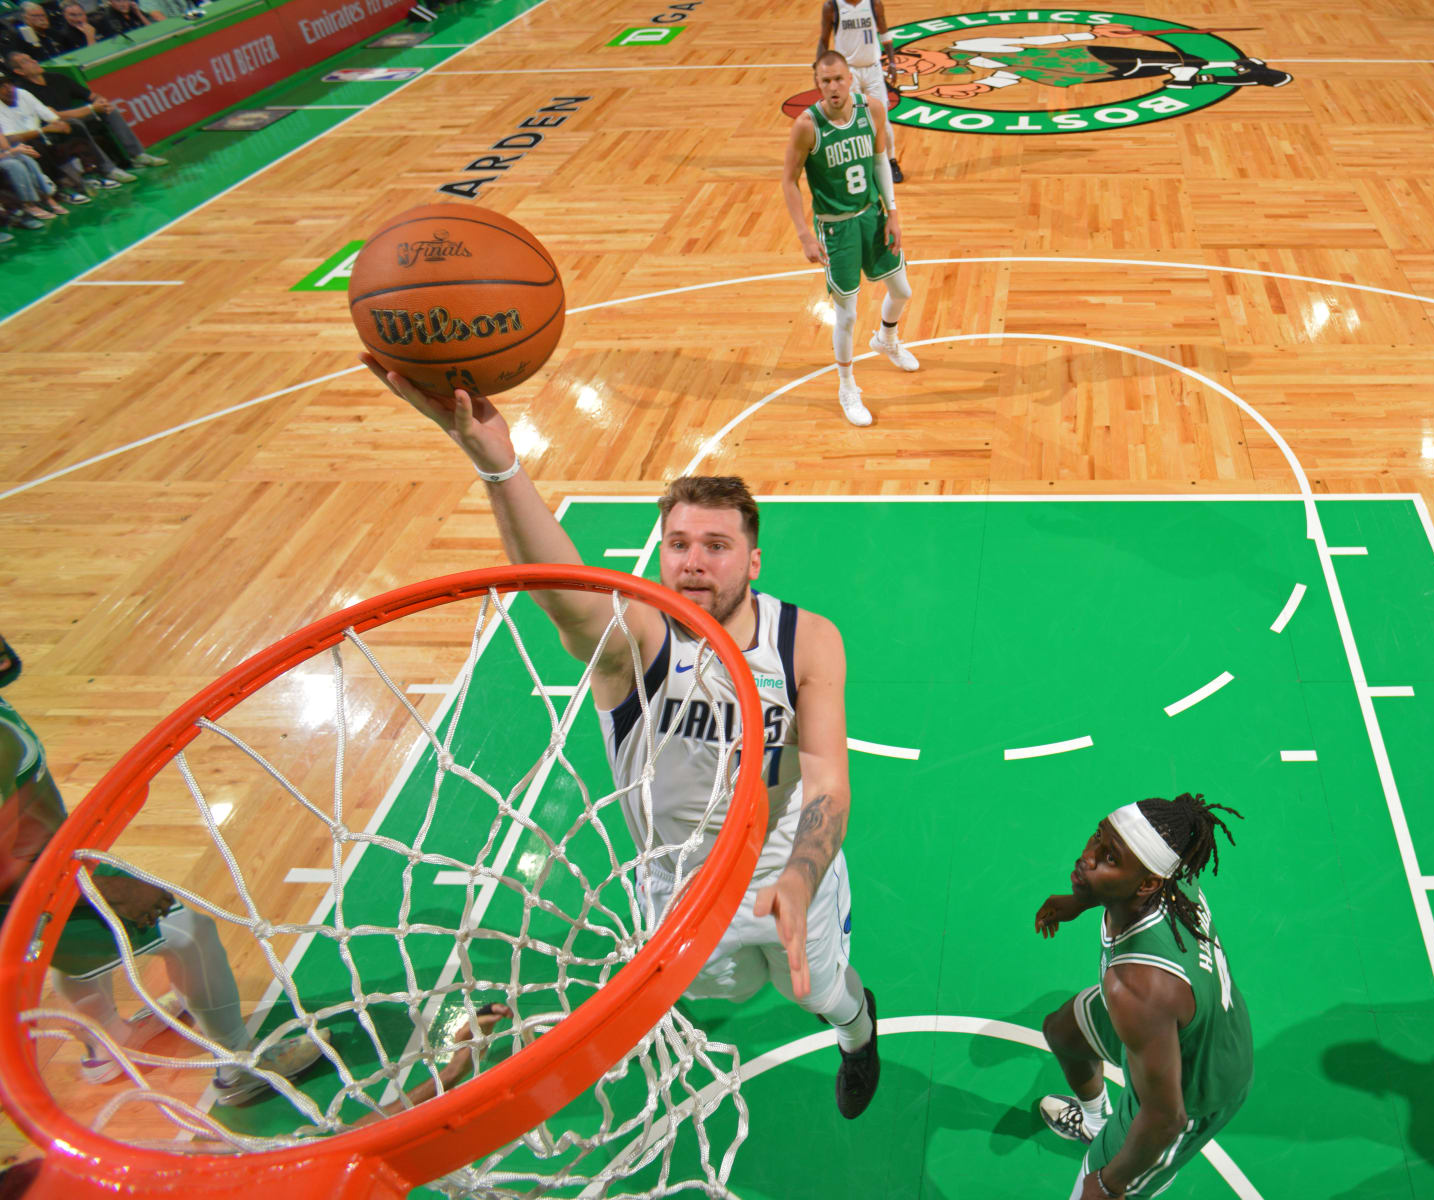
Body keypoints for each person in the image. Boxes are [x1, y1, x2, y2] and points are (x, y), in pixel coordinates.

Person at [363, 363, 884, 1120]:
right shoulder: (638, 642)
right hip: (680, 887)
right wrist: (498, 464)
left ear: (753, 560)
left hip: (787, 872)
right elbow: (564, 593)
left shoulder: (805, 640)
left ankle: (859, 1032)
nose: (694, 561)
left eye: (716, 545)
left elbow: (828, 779)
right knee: (713, 993)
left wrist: (803, 875)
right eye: (677, 544)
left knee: (820, 991)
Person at [0, 634, 327, 1104]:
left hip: (47, 874)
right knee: (189, 934)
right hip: (27, 895)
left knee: (79, 951)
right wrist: (105, 889)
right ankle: (238, 1068)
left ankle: (106, 1045)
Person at [1034, 794, 1253, 1200]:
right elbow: (1117, 876)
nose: (1088, 857)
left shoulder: (1135, 986)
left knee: (1089, 1190)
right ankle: (1097, 1123)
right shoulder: (1170, 871)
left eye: (1109, 858)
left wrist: (1108, 1183)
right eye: (1097, 836)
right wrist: (1081, 899)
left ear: (1148, 883)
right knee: (1063, 1032)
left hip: (1194, 1089)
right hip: (1192, 1025)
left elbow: (1165, 1118)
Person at [782, 49, 919, 428]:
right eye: (825, 81)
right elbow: (788, 181)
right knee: (847, 313)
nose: (833, 87)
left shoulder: (871, 109)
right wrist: (805, 235)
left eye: (839, 78)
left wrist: (893, 212)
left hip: (871, 216)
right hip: (835, 226)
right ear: (817, 85)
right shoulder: (807, 126)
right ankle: (846, 386)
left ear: (850, 78)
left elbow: (880, 163)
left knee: (903, 290)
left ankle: (886, 340)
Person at [894, 25, 1291, 100]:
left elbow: (1026, 42)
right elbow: (1006, 78)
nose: (918, 69)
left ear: (917, 51)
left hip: (1084, 54)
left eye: (911, 62)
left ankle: (1248, 70)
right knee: (1177, 74)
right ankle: (1250, 75)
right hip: (1080, 76)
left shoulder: (968, 43)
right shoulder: (968, 69)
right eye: (911, 74)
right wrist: (975, 89)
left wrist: (1090, 34)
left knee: (1184, 62)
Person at [8, 51, 166, 167]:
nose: (34, 61)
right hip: (53, 128)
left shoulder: (57, 78)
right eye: (26, 61)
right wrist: (91, 109)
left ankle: (138, 155)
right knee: (76, 124)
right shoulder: (25, 91)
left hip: (76, 115)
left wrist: (100, 102)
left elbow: (90, 95)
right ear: (19, 71)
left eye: (31, 57)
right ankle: (107, 168)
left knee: (110, 110)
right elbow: (53, 115)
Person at [0, 73, 131, 199]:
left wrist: (59, 123)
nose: (8, 89)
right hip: (22, 145)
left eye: (9, 84)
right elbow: (10, 138)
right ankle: (64, 188)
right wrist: (43, 130)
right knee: (35, 147)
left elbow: (48, 115)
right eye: (2, 87)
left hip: (43, 133)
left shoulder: (23, 94)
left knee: (74, 126)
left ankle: (91, 173)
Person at [816, 0, 901, 183]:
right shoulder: (832, 6)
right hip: (847, 72)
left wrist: (892, 62)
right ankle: (854, 165)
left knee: (883, 120)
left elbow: (884, 32)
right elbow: (823, 40)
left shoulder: (873, 3)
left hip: (873, 69)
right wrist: (818, 70)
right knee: (850, 121)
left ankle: (891, 160)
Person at [93, 0, 161, 37]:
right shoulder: (109, 17)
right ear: (110, 2)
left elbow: (155, 30)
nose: (124, 4)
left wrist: (139, 14)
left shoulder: (133, 9)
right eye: (118, 1)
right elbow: (123, 39)